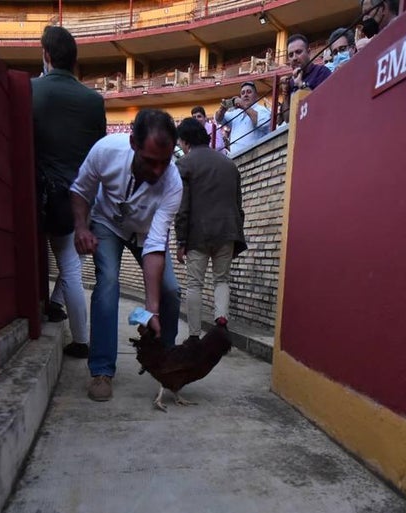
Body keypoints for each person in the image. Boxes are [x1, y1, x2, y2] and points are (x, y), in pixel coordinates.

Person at [70, 110, 184, 402]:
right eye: (150, 161)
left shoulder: (173, 184)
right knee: (108, 282)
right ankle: (101, 370)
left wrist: (151, 311)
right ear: (133, 142)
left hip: (146, 235)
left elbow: (157, 243)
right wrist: (81, 226)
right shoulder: (105, 150)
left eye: (165, 161)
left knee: (170, 290)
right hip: (108, 224)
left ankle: (164, 361)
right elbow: (81, 190)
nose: (158, 171)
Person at [31, 25, 105, 358]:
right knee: (70, 263)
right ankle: (63, 315)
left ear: (46, 55)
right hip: (81, 196)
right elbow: (97, 152)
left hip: (45, 193)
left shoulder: (33, 90)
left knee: (67, 267)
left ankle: (82, 339)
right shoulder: (93, 100)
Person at [174, 118, 246, 339]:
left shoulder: (184, 164)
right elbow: (238, 204)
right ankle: (221, 322)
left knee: (195, 284)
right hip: (227, 231)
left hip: (198, 234)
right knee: (221, 280)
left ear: (185, 141)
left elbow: (183, 207)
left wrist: (180, 241)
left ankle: (195, 336)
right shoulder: (229, 164)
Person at [214, 81, 271, 155]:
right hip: (236, 158)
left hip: (255, 157)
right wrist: (222, 109)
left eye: (249, 92)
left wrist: (243, 105)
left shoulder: (262, 110)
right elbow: (219, 119)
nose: (245, 95)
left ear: (256, 96)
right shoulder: (236, 112)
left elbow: (263, 124)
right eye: (243, 93)